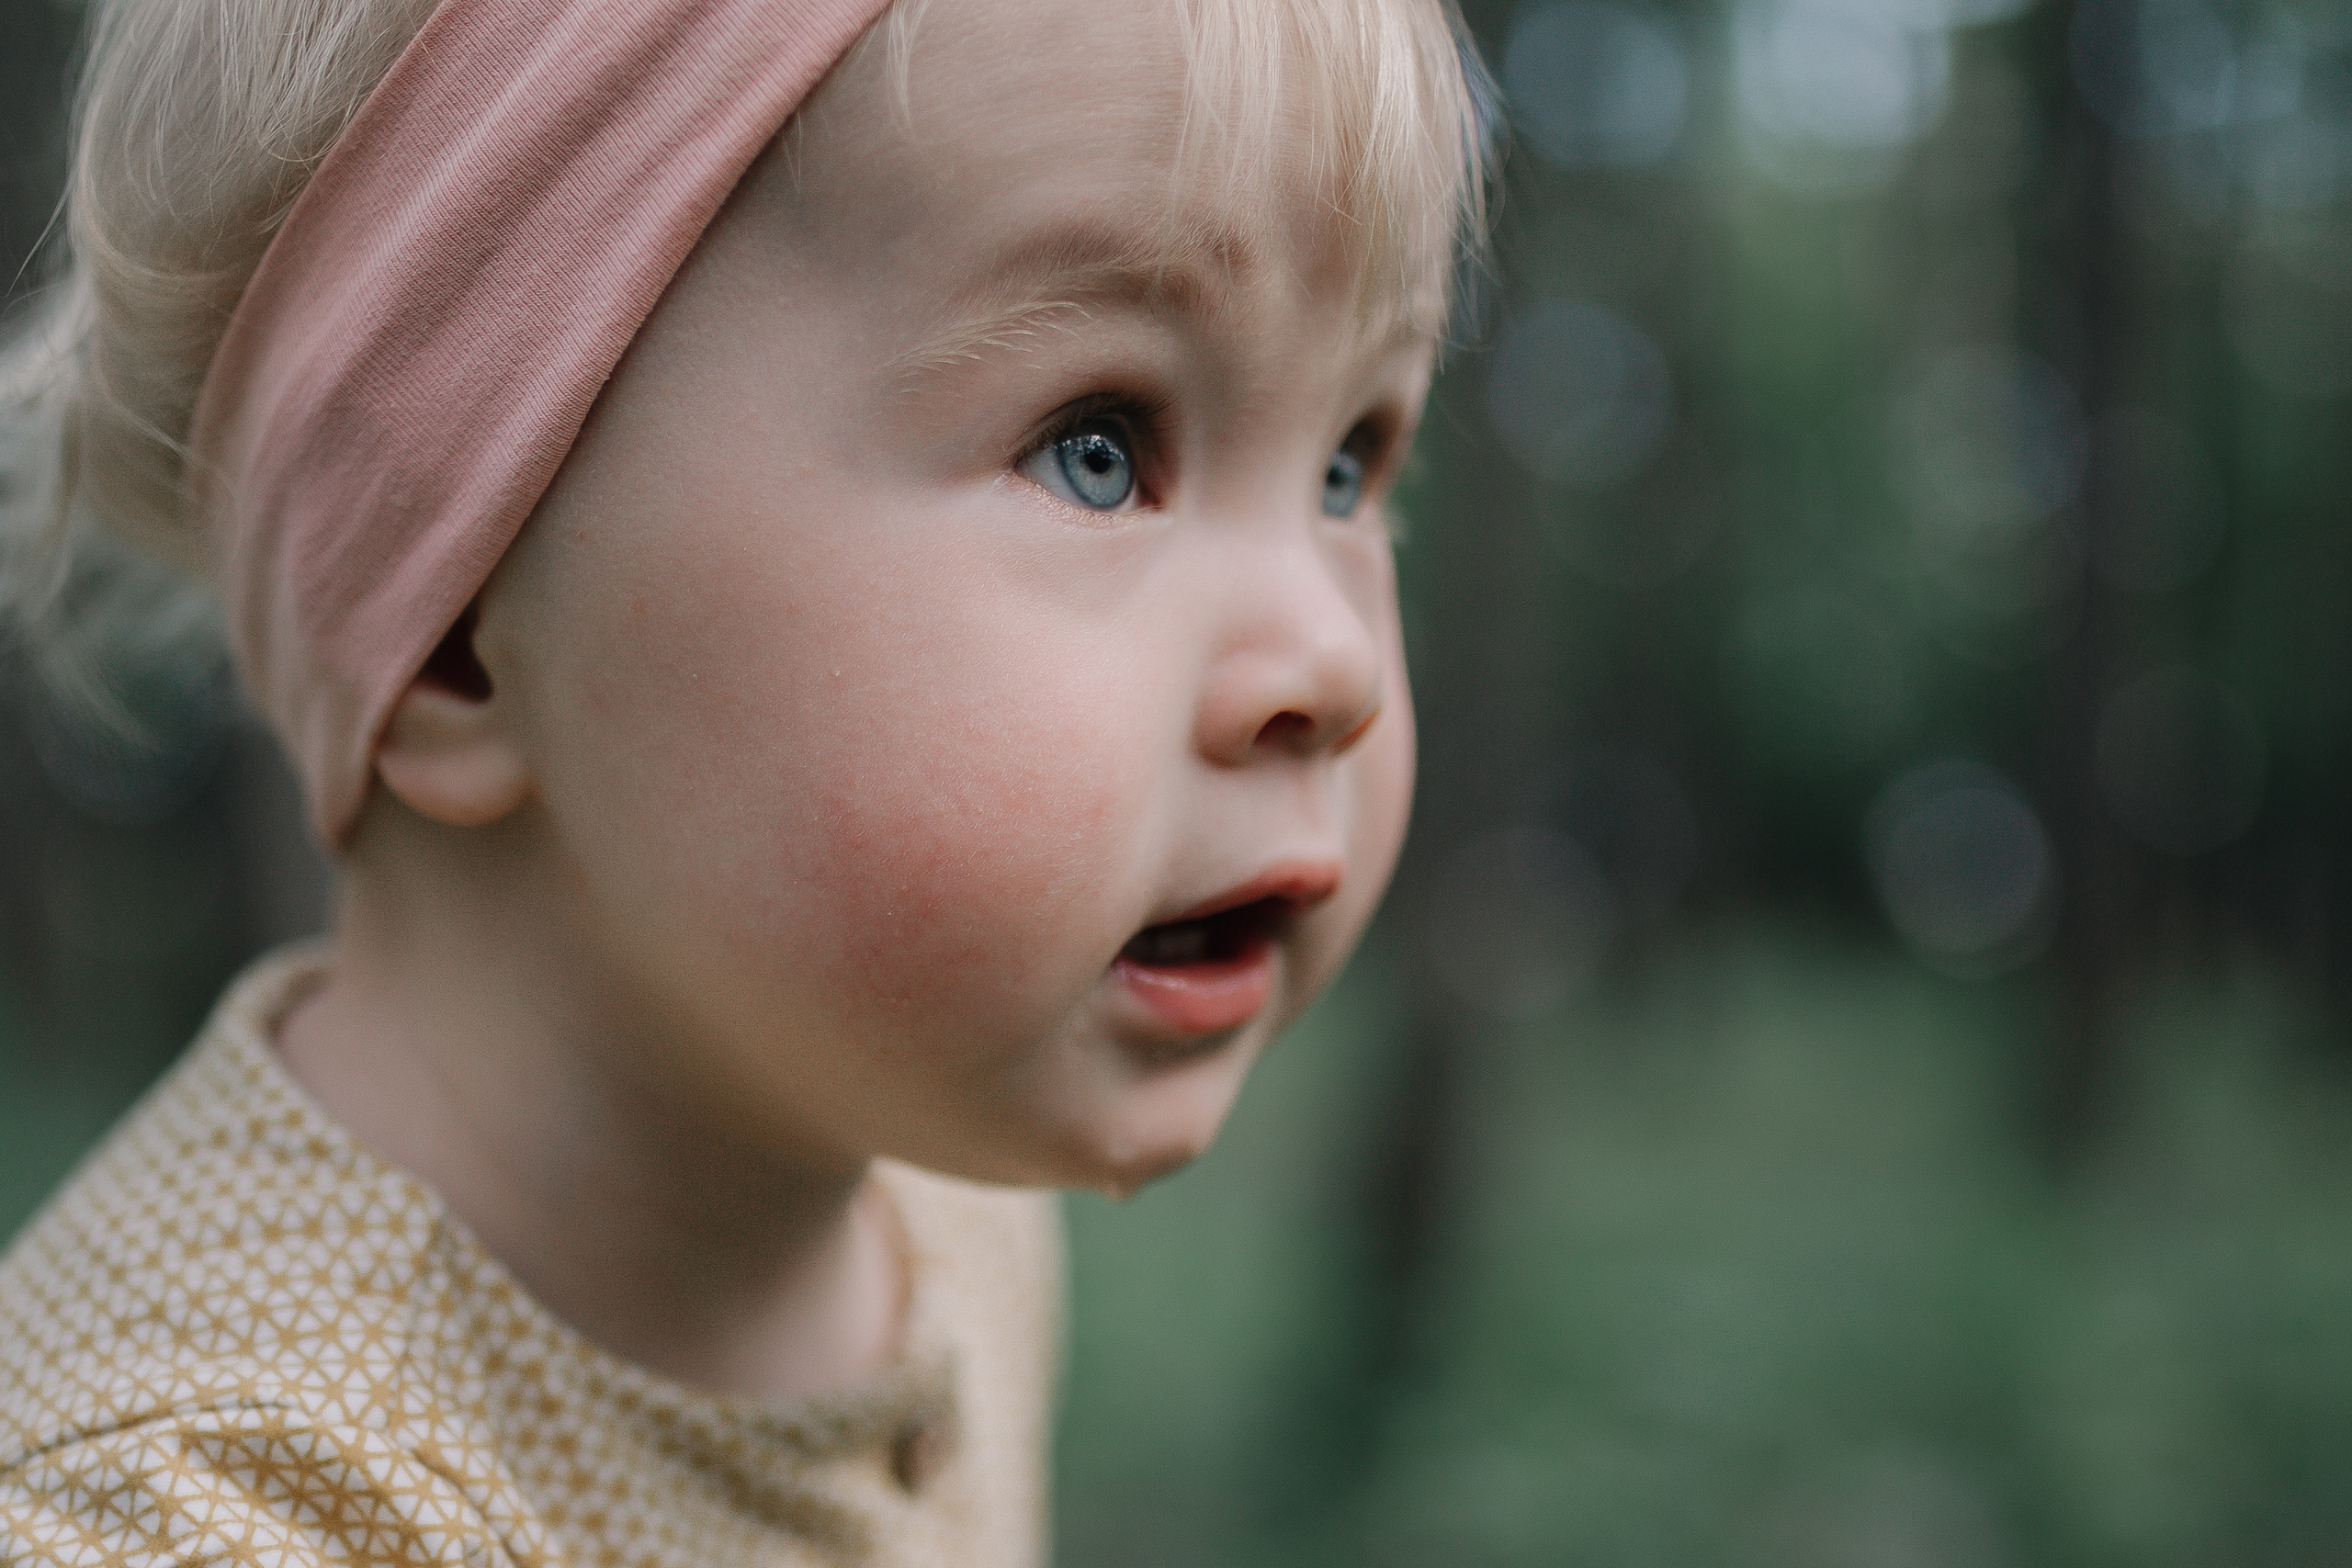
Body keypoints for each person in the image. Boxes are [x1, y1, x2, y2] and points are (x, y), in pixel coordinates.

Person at [0, 0, 1493, 1560]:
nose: (1334, 662)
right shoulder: (201, 1516)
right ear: (456, 619)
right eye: (1097, 446)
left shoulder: (938, 1213)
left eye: (1351, 460)